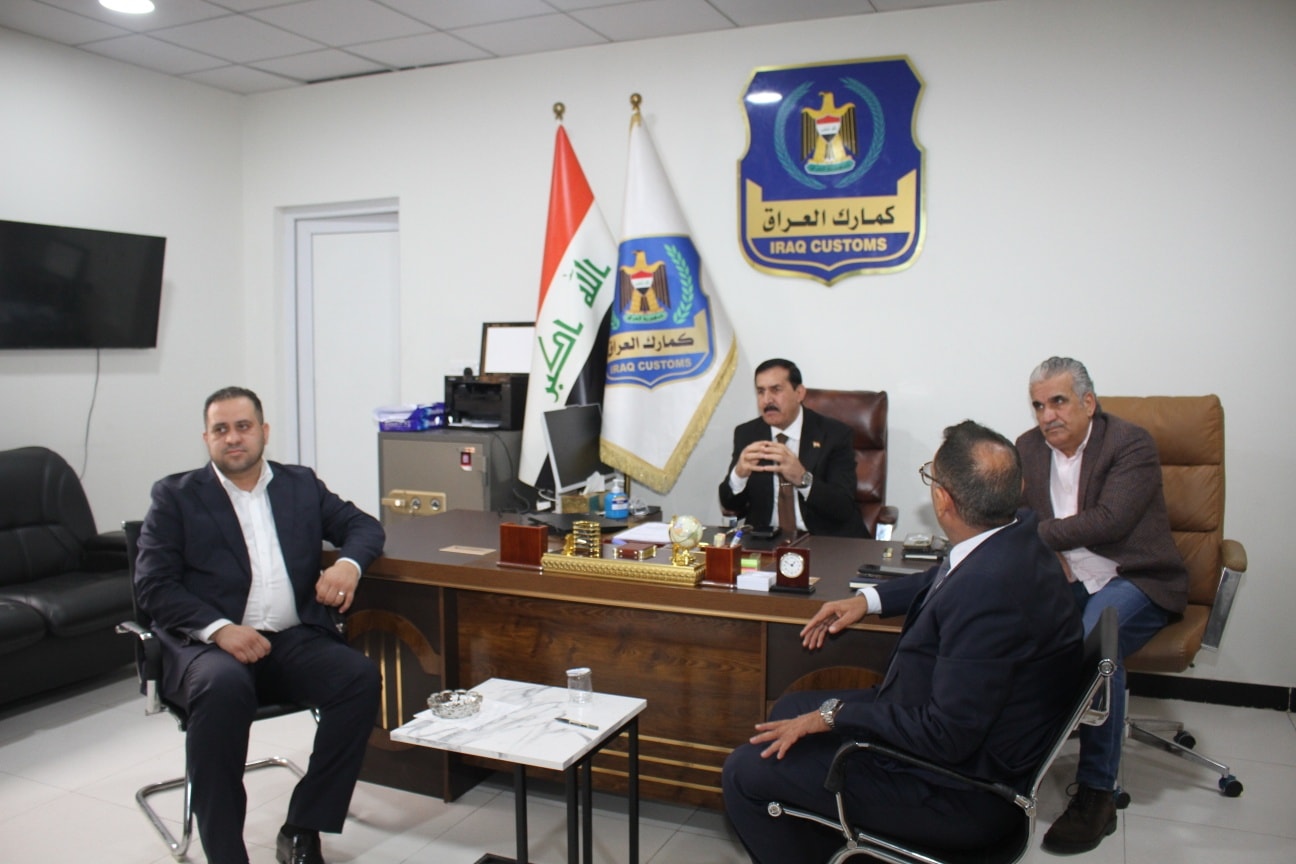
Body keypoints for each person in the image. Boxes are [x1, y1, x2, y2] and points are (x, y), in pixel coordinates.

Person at [722, 421, 1083, 863]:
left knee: (744, 771)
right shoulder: (1017, 536)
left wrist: (833, 716)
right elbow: (945, 575)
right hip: (956, 738)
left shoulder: (988, 594)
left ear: (943, 500)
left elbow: (945, 736)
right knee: (790, 710)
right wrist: (867, 600)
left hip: (957, 790)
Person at [135, 386, 385, 864]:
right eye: (221, 429)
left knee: (358, 678)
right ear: (206, 438)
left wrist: (347, 565)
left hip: (290, 640)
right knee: (223, 686)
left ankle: (303, 828)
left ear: (264, 432)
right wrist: (219, 629)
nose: (233, 438)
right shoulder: (175, 497)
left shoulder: (299, 485)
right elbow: (153, 586)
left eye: (243, 426)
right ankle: (226, 854)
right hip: (209, 649)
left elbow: (364, 526)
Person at [1017, 357, 1188, 855]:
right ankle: (1006, 765)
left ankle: (1097, 794)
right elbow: (1015, 514)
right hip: (1068, 578)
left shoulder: (1129, 443)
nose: (1047, 415)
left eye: (1058, 402)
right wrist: (1041, 546)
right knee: (1007, 625)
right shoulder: (1027, 448)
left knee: (1098, 641)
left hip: (1135, 577)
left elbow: (1110, 520)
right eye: (1038, 405)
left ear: (1088, 402)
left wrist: (1039, 536)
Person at [718, 358, 867, 538]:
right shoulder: (747, 434)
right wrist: (739, 474)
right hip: (767, 541)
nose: (767, 400)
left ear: (799, 393)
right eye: (761, 391)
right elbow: (730, 504)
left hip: (824, 539)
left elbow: (843, 506)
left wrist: (802, 478)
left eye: (776, 390)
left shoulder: (834, 434)